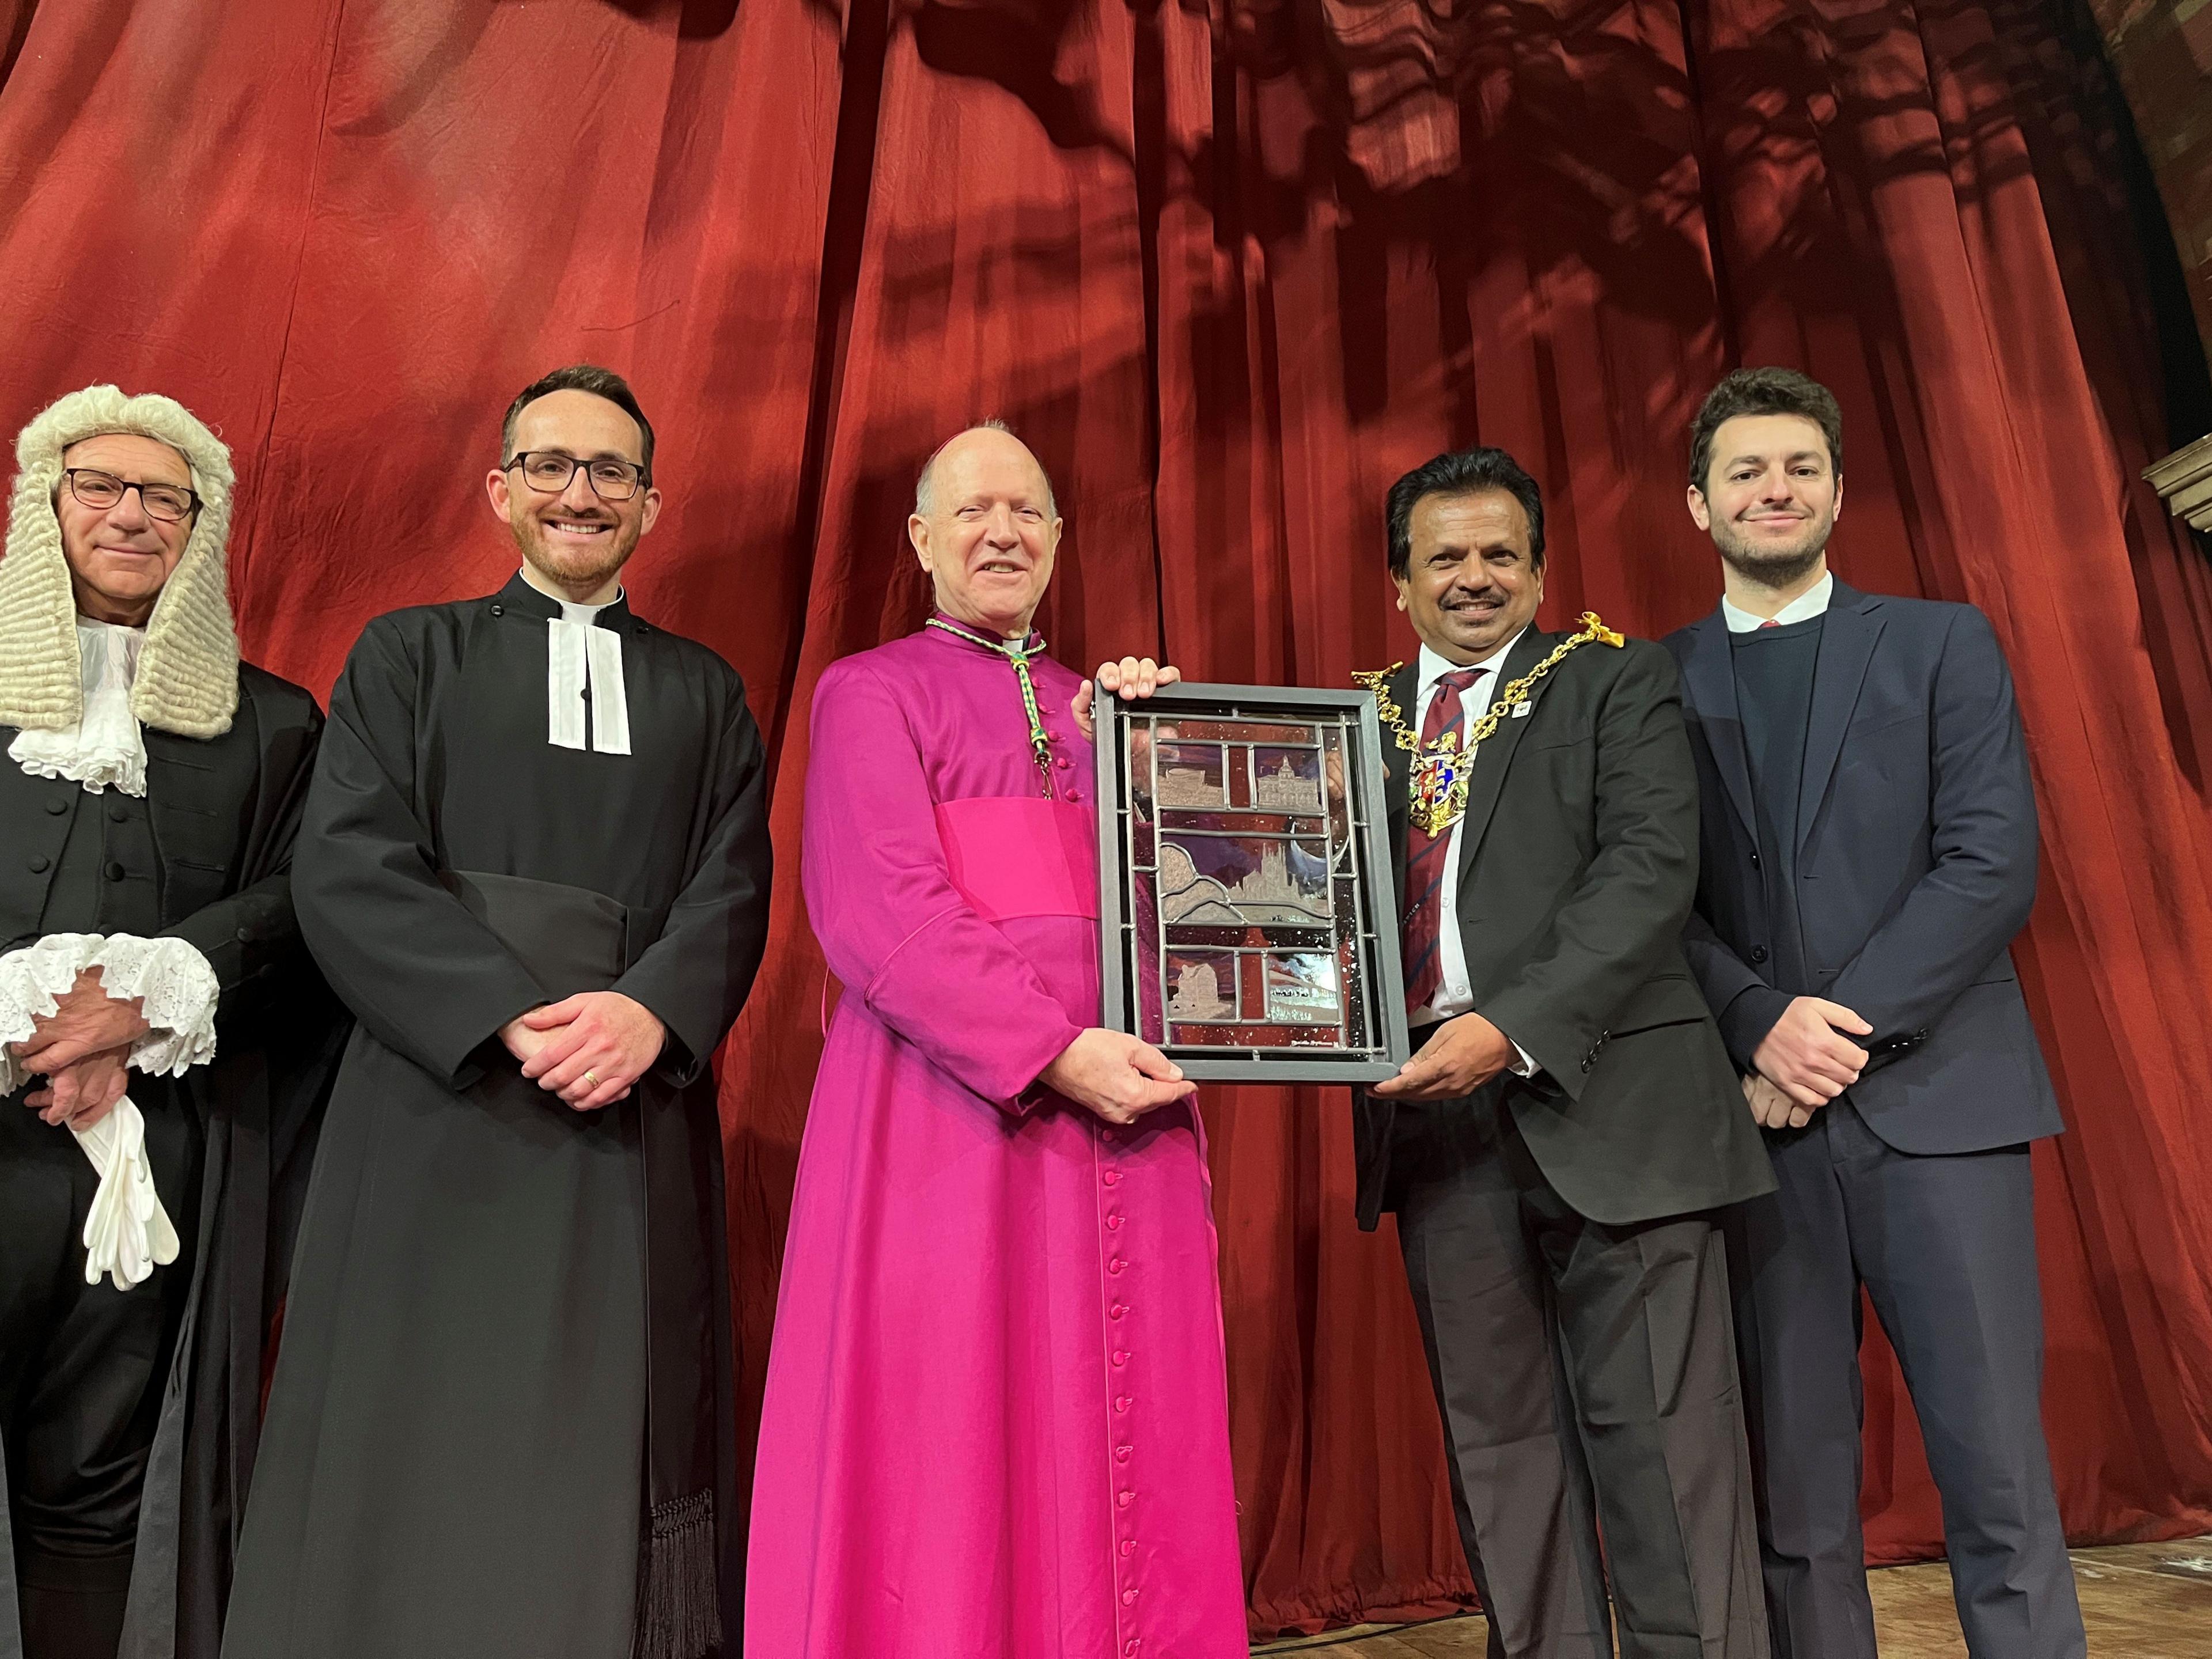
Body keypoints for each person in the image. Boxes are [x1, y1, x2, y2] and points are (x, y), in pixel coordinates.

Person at [221, 365, 771, 1659]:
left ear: (650, 504)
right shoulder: (410, 653)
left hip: (630, 1105)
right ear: (501, 490)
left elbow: (734, 887)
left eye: (612, 473)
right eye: (551, 467)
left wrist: (651, 1018)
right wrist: (510, 1018)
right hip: (438, 1096)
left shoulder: (707, 691)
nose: (580, 494)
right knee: (416, 1417)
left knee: (603, 1423)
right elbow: (348, 865)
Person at [746, 421, 1247, 1657]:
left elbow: (1221, 910)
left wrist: (1178, 758)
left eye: (1027, 511)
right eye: (971, 512)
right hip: (949, 1110)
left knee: (1129, 1430)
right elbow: (882, 913)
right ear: (921, 540)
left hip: (1129, 1119)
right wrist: (1055, 1052)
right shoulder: (869, 691)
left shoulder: (1111, 711)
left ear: (1061, 541)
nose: (1002, 532)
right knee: (954, 1430)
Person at [1665, 366, 2085, 1658]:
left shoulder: (1943, 642)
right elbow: (1649, 900)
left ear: (1839, 490)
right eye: (1745, 470)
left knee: (1999, 1483)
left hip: (1939, 1112)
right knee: (1795, 1502)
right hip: (1755, 1129)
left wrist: (1823, 1036)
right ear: (1699, 505)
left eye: (1798, 466)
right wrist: (1756, 1025)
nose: (1774, 489)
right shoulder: (1645, 681)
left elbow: (1990, 865)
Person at [1353, 446, 1775, 1658]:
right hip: (1437, 1126)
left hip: (1614, 1109)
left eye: (1500, 554)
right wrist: (1147, 723)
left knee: (1664, 1458)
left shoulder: (1616, 682)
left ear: (1541, 570)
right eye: (1446, 558)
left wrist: (1509, 1029)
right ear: (1400, 584)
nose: (1475, 577)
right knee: (1500, 1458)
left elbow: (1648, 875)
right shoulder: (1352, 726)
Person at [0, 385, 342, 1659]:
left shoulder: (275, 724)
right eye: (100, 485)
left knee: (93, 1487)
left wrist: (147, 999)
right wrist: (35, 1020)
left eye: (165, 497)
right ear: (47, 502)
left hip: (154, 1169)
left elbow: (312, 902)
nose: (132, 514)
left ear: (199, 530)